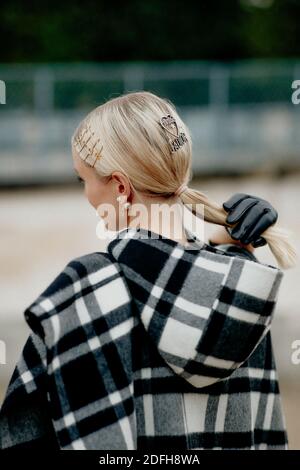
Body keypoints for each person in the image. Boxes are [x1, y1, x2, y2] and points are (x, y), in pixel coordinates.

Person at [0, 91, 295, 450]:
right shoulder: (241, 288)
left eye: (84, 180)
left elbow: (22, 433)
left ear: (121, 187)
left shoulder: (83, 291)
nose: (87, 195)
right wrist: (228, 253)